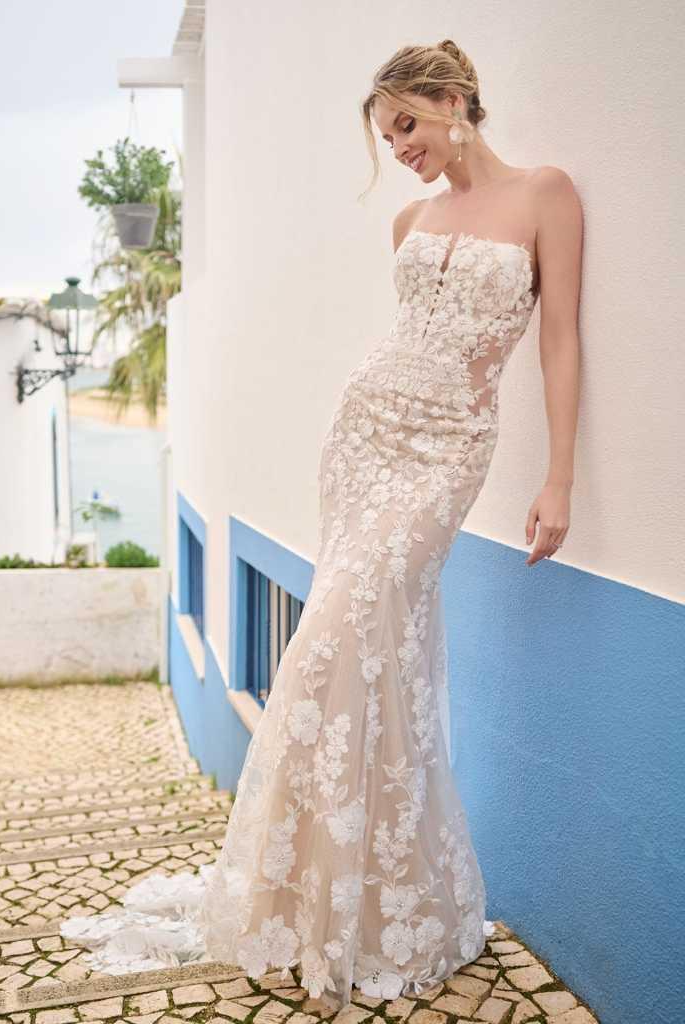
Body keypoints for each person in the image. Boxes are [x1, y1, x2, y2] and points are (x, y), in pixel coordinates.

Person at [61, 38, 582, 1009]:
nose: (403, 149)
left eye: (409, 127)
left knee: (355, 635)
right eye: (390, 138)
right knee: (348, 647)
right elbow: (402, 340)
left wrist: (558, 476)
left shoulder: (547, 195)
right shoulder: (408, 221)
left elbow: (559, 339)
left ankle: (379, 897)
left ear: (455, 98)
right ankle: (327, 897)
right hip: (368, 432)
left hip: (448, 452)